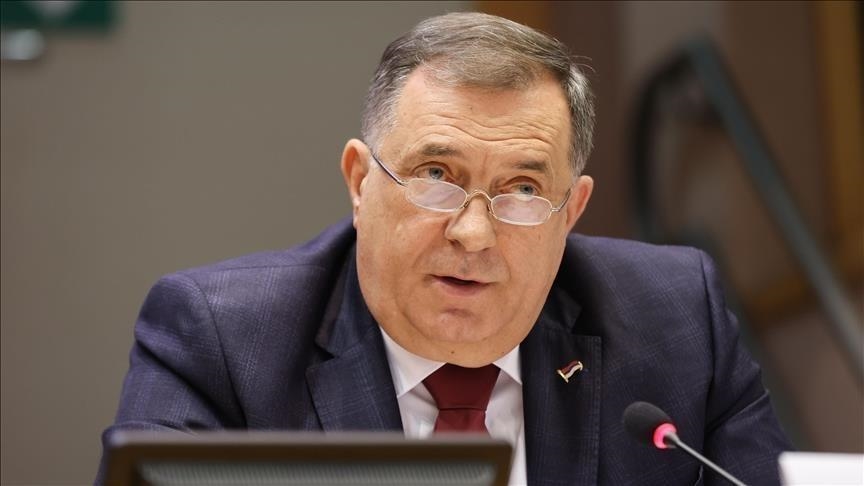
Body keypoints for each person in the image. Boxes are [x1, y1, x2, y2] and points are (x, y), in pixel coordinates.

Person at [98, 12, 791, 485]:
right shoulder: (221, 342)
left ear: (571, 212)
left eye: (523, 189)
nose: (473, 233)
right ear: (360, 182)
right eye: (436, 176)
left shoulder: (676, 321)